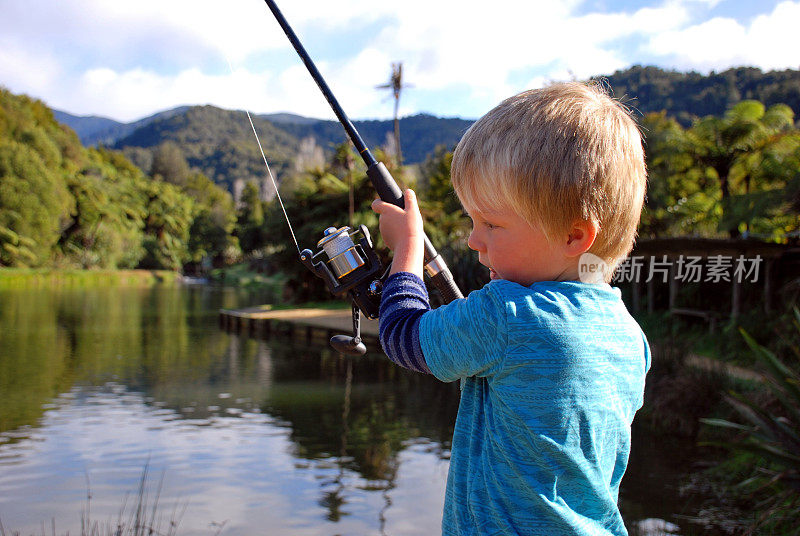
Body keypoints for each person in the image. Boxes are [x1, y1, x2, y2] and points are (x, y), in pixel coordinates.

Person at [371, 81, 650, 535]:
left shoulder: (508, 314)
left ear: (573, 236)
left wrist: (406, 250)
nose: (473, 240)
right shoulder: (630, 336)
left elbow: (403, 337)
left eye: (491, 224)